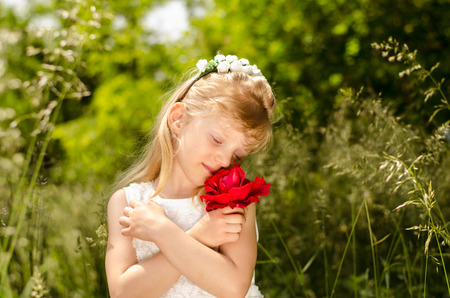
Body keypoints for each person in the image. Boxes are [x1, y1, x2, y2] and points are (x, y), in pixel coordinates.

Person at [105, 54, 277, 297]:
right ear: (178, 119)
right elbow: (122, 293)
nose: (225, 161)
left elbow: (233, 287)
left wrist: (161, 230)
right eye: (217, 139)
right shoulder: (127, 202)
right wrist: (200, 235)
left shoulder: (232, 200)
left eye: (238, 155)